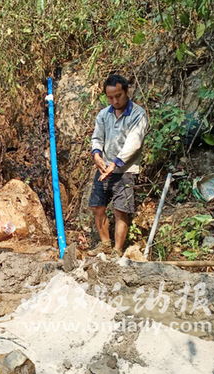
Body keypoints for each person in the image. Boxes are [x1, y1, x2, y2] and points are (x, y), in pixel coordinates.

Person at [87, 74, 149, 257]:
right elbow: (97, 137)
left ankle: (117, 250)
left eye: (118, 96)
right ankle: (105, 244)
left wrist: (116, 163)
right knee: (97, 206)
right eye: (110, 97)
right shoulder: (104, 114)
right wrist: (97, 154)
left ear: (126, 91)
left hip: (125, 170)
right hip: (103, 168)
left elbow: (134, 143)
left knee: (121, 210)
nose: (114, 100)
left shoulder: (138, 115)